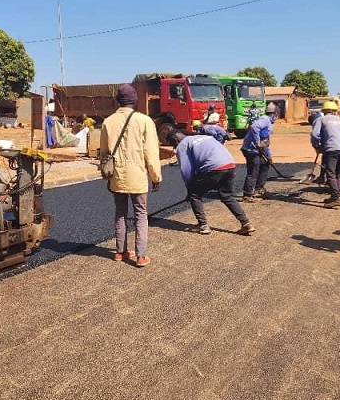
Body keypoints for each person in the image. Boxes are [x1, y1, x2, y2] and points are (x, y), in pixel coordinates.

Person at [99, 84, 162, 267]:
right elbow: (151, 152)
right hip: (138, 176)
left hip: (117, 175)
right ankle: (141, 256)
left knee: (120, 213)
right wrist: (156, 177)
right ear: (135, 100)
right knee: (141, 214)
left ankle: (120, 251)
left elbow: (103, 153)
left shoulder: (108, 122)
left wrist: (107, 176)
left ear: (118, 100)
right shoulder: (144, 121)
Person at [167, 129, 255, 236]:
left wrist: (190, 190)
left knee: (195, 195)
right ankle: (246, 223)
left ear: (175, 139)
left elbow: (186, 170)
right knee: (227, 196)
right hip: (230, 164)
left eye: (172, 144)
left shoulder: (183, 145)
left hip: (213, 167)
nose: (173, 147)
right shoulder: (204, 137)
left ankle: (203, 225)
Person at [311, 101, 340, 208]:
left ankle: (336, 198)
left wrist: (317, 147)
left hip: (331, 149)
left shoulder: (321, 119)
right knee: (336, 173)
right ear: (335, 111)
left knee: (330, 173)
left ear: (324, 111)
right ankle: (335, 196)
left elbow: (314, 135)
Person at [240, 102, 277, 202]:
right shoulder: (265, 120)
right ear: (275, 114)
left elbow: (265, 141)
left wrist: (269, 156)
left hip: (257, 149)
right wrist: (257, 143)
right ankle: (247, 195)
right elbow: (254, 127)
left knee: (265, 164)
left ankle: (258, 189)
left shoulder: (268, 123)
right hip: (250, 149)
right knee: (253, 171)